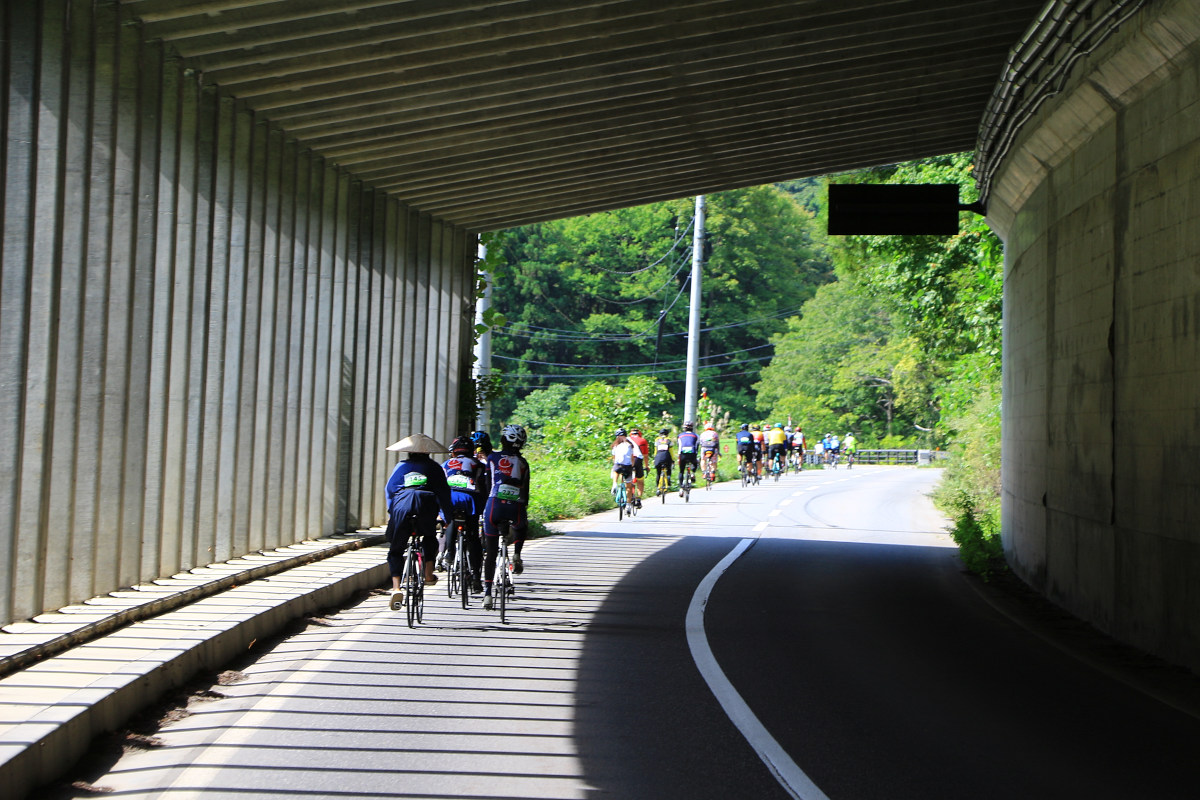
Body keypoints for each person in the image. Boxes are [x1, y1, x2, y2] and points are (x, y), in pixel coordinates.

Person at [384, 433, 455, 610]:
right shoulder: (435, 468)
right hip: (426, 504)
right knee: (430, 537)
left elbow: (390, 490)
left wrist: (392, 513)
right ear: (428, 453)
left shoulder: (400, 466)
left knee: (396, 549)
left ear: (408, 452)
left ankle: (396, 588)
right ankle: (428, 574)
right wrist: (447, 517)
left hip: (402, 504)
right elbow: (444, 495)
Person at [482, 424, 531, 610]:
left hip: (494, 505)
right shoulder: (524, 463)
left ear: (503, 440)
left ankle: (487, 594)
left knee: (491, 553)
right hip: (515, 507)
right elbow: (525, 494)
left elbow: (488, 484)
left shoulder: (493, 458)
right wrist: (520, 508)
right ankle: (517, 554)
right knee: (521, 525)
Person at [437, 435, 488, 594]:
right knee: (473, 537)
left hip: (450, 499)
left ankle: (450, 553)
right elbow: (484, 487)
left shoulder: (445, 465)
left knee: (451, 519)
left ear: (453, 452)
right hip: (469, 500)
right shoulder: (478, 464)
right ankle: (476, 576)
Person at [611, 428, 639, 506]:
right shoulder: (630, 445)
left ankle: (614, 484)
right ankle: (628, 505)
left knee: (615, 470)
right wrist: (632, 466)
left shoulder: (615, 445)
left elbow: (614, 458)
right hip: (627, 467)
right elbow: (632, 458)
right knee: (629, 487)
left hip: (618, 465)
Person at [676, 422, 700, 496]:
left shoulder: (680, 436)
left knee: (681, 471)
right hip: (692, 454)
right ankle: (692, 473)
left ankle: (681, 488)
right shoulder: (696, 436)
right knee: (695, 464)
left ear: (684, 428)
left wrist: (678, 457)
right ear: (692, 428)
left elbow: (679, 446)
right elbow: (697, 446)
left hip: (683, 454)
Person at [628, 427, 650, 503]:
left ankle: (628, 497)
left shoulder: (627, 440)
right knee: (640, 480)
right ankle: (639, 498)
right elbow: (645, 455)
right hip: (637, 460)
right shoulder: (643, 440)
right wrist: (646, 466)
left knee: (626, 480)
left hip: (627, 461)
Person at [652, 427, 675, 491]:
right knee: (668, 469)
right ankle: (668, 480)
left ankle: (657, 488)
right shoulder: (669, 440)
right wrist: (673, 460)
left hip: (658, 457)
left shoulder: (657, 440)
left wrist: (654, 458)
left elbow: (655, 451)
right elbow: (671, 451)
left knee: (658, 473)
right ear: (667, 434)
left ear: (660, 434)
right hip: (667, 457)